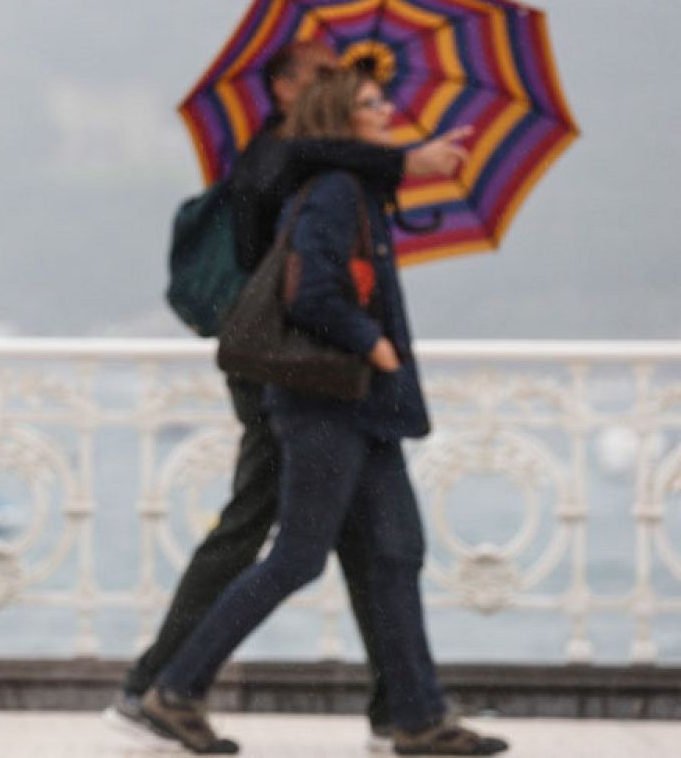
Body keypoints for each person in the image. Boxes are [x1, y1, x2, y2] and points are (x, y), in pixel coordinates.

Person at [138, 72, 507, 755]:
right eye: (373, 104)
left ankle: (418, 719)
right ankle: (175, 692)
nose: (389, 110)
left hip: (361, 407)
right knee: (298, 558)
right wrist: (375, 345)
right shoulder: (334, 192)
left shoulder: (358, 188)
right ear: (343, 118)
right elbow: (312, 295)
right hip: (325, 403)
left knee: (397, 552)